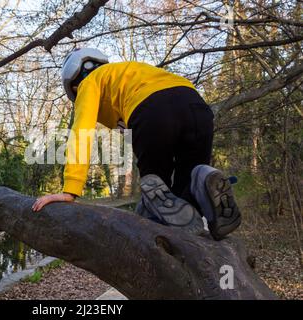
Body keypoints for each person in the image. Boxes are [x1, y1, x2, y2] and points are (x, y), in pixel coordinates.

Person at [31, 48, 241, 240]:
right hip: (197, 106)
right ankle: (204, 182)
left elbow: (82, 132)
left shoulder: (89, 82)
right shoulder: (131, 71)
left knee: (156, 189)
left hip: (153, 110)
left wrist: (71, 188)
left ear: (75, 86)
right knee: (188, 183)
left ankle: (162, 240)